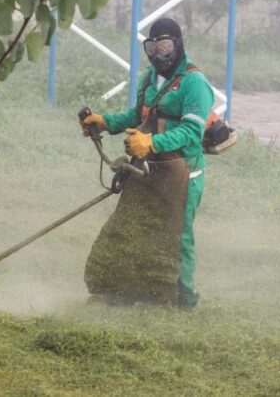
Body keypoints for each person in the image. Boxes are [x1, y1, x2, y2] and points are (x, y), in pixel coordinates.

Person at [81, 17, 214, 309]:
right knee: (137, 229)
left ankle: (184, 302)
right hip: (148, 170)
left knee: (178, 237)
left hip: (184, 172)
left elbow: (192, 131)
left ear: (178, 45)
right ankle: (137, 291)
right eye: (152, 47)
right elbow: (138, 117)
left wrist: (152, 142)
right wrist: (106, 122)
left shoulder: (194, 83)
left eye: (165, 45)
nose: (159, 54)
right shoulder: (150, 78)